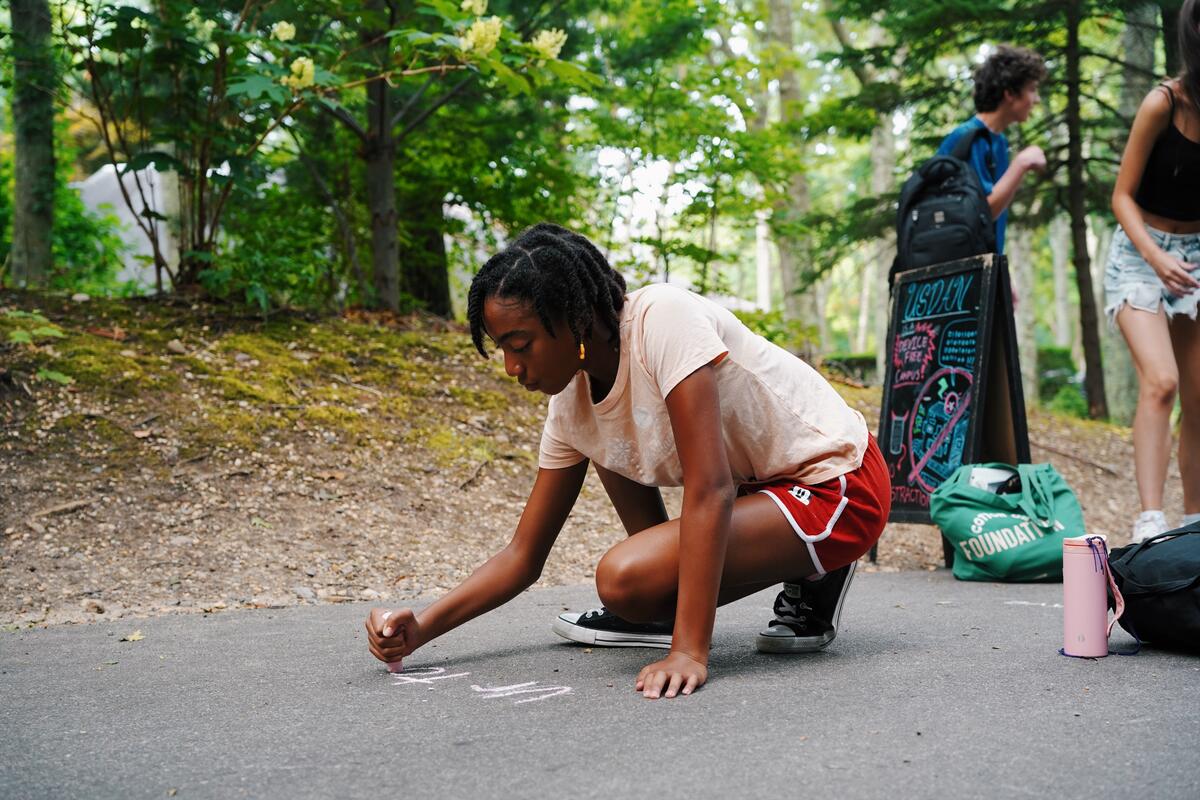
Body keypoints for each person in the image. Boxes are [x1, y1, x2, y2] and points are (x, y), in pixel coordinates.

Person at [364, 223, 890, 699]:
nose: (509, 366)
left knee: (621, 574)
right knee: (633, 593)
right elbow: (523, 555)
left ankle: (816, 564)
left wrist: (687, 651)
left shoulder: (662, 318)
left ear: (574, 319)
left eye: (519, 344)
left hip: (836, 482)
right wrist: (424, 627)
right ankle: (789, 564)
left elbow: (710, 490)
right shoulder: (569, 405)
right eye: (500, 348)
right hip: (763, 494)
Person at [1107, 0, 1200, 544]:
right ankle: (1150, 521)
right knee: (1161, 381)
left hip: (1195, 254)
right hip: (1140, 252)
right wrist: (1157, 256)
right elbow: (1120, 196)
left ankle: (1192, 525)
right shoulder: (1163, 101)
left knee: (1198, 394)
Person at [937, 44, 1048, 254]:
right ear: (1010, 94)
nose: (1036, 99)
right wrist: (1021, 163)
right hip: (957, 274)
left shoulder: (998, 141)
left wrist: (1000, 271)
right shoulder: (969, 138)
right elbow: (983, 213)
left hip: (981, 266)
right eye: (1032, 89)